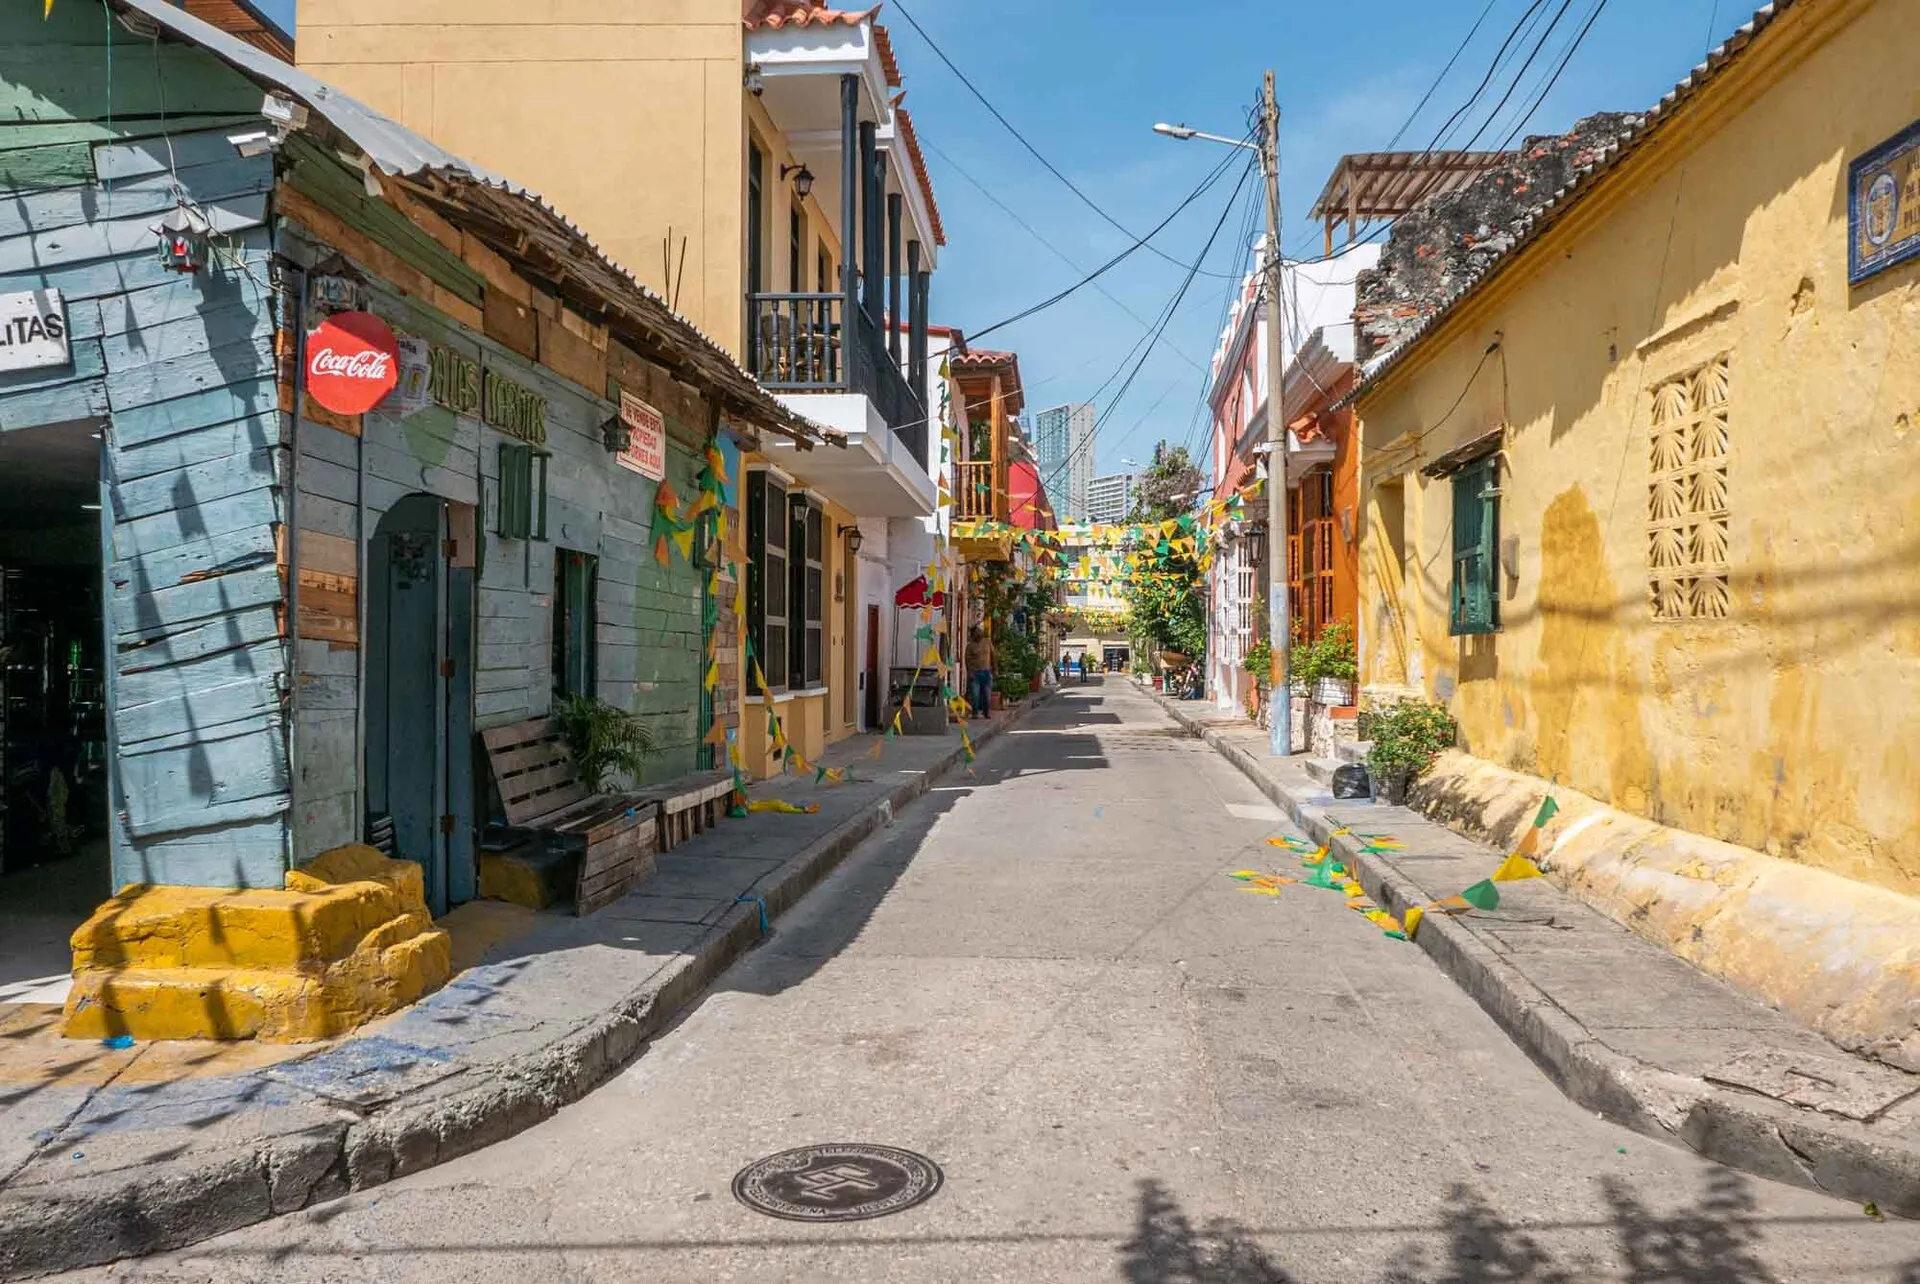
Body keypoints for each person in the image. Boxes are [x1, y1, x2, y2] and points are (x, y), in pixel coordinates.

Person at [966, 626, 994, 718]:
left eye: (980, 632)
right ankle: (975, 713)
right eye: (977, 633)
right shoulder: (970, 646)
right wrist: (970, 672)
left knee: (987, 695)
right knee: (975, 695)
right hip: (975, 673)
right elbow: (967, 660)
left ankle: (986, 712)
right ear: (973, 635)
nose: (979, 634)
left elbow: (993, 655)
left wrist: (995, 668)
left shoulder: (987, 642)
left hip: (986, 672)